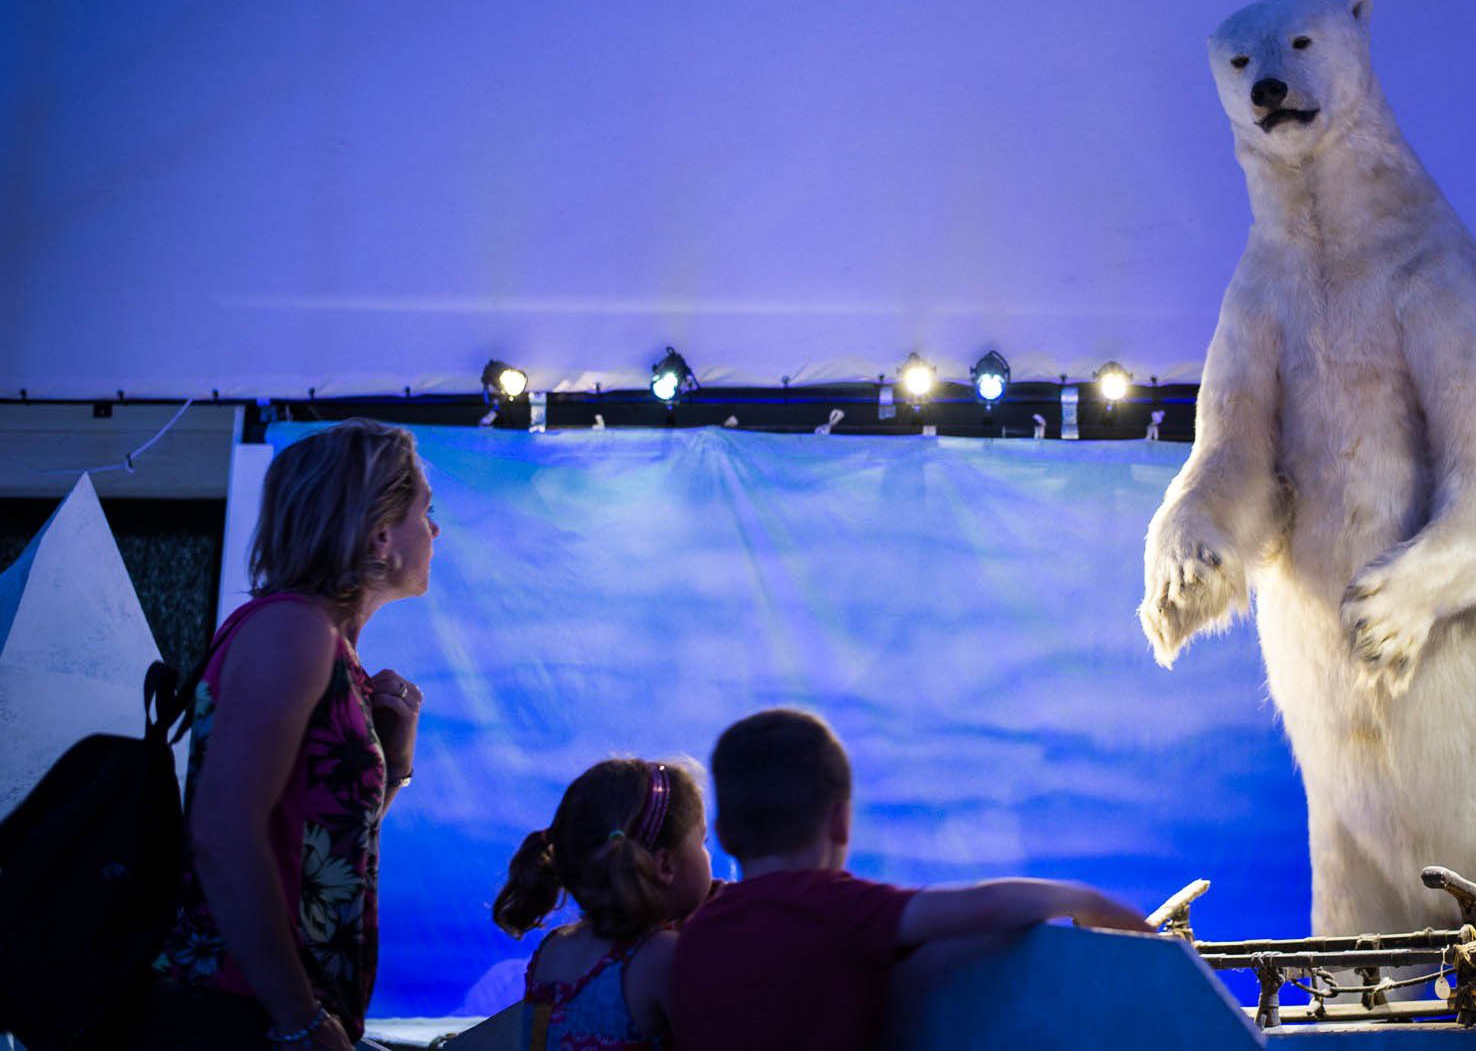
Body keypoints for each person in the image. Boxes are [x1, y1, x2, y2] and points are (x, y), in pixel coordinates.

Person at [145, 419, 435, 1050]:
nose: (435, 532)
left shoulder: (317, 641)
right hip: (237, 1015)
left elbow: (316, 849)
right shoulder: (295, 631)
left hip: (262, 1012)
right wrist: (299, 1019)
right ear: (381, 534)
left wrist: (393, 767)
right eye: (425, 512)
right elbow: (224, 830)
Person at [669, 708, 1151, 1051]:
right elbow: (984, 908)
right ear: (840, 822)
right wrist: (1088, 901)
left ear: (724, 835)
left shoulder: (695, 934)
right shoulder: (837, 908)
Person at [486, 758, 715, 1050]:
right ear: (665, 865)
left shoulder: (553, 949)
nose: (707, 853)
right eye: (702, 841)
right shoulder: (666, 958)